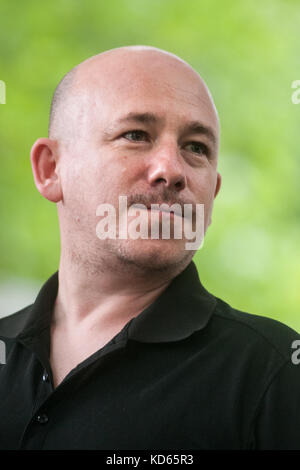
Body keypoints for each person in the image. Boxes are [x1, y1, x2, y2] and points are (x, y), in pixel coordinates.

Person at [0, 46, 300, 451]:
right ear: (51, 169)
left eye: (196, 147)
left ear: (212, 193)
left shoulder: (273, 373)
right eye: (136, 135)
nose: (172, 170)